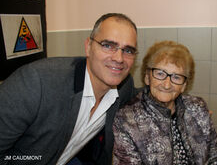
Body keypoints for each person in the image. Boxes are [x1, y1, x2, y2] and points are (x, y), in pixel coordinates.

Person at [0, 13, 138, 165]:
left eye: (128, 50)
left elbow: (150, 96)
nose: (119, 58)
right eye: (108, 45)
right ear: (88, 47)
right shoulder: (35, 82)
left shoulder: (124, 87)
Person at [113, 41, 217, 165]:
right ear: (147, 77)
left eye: (176, 77)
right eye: (160, 73)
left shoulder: (198, 108)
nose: (167, 84)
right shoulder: (126, 120)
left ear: (184, 85)